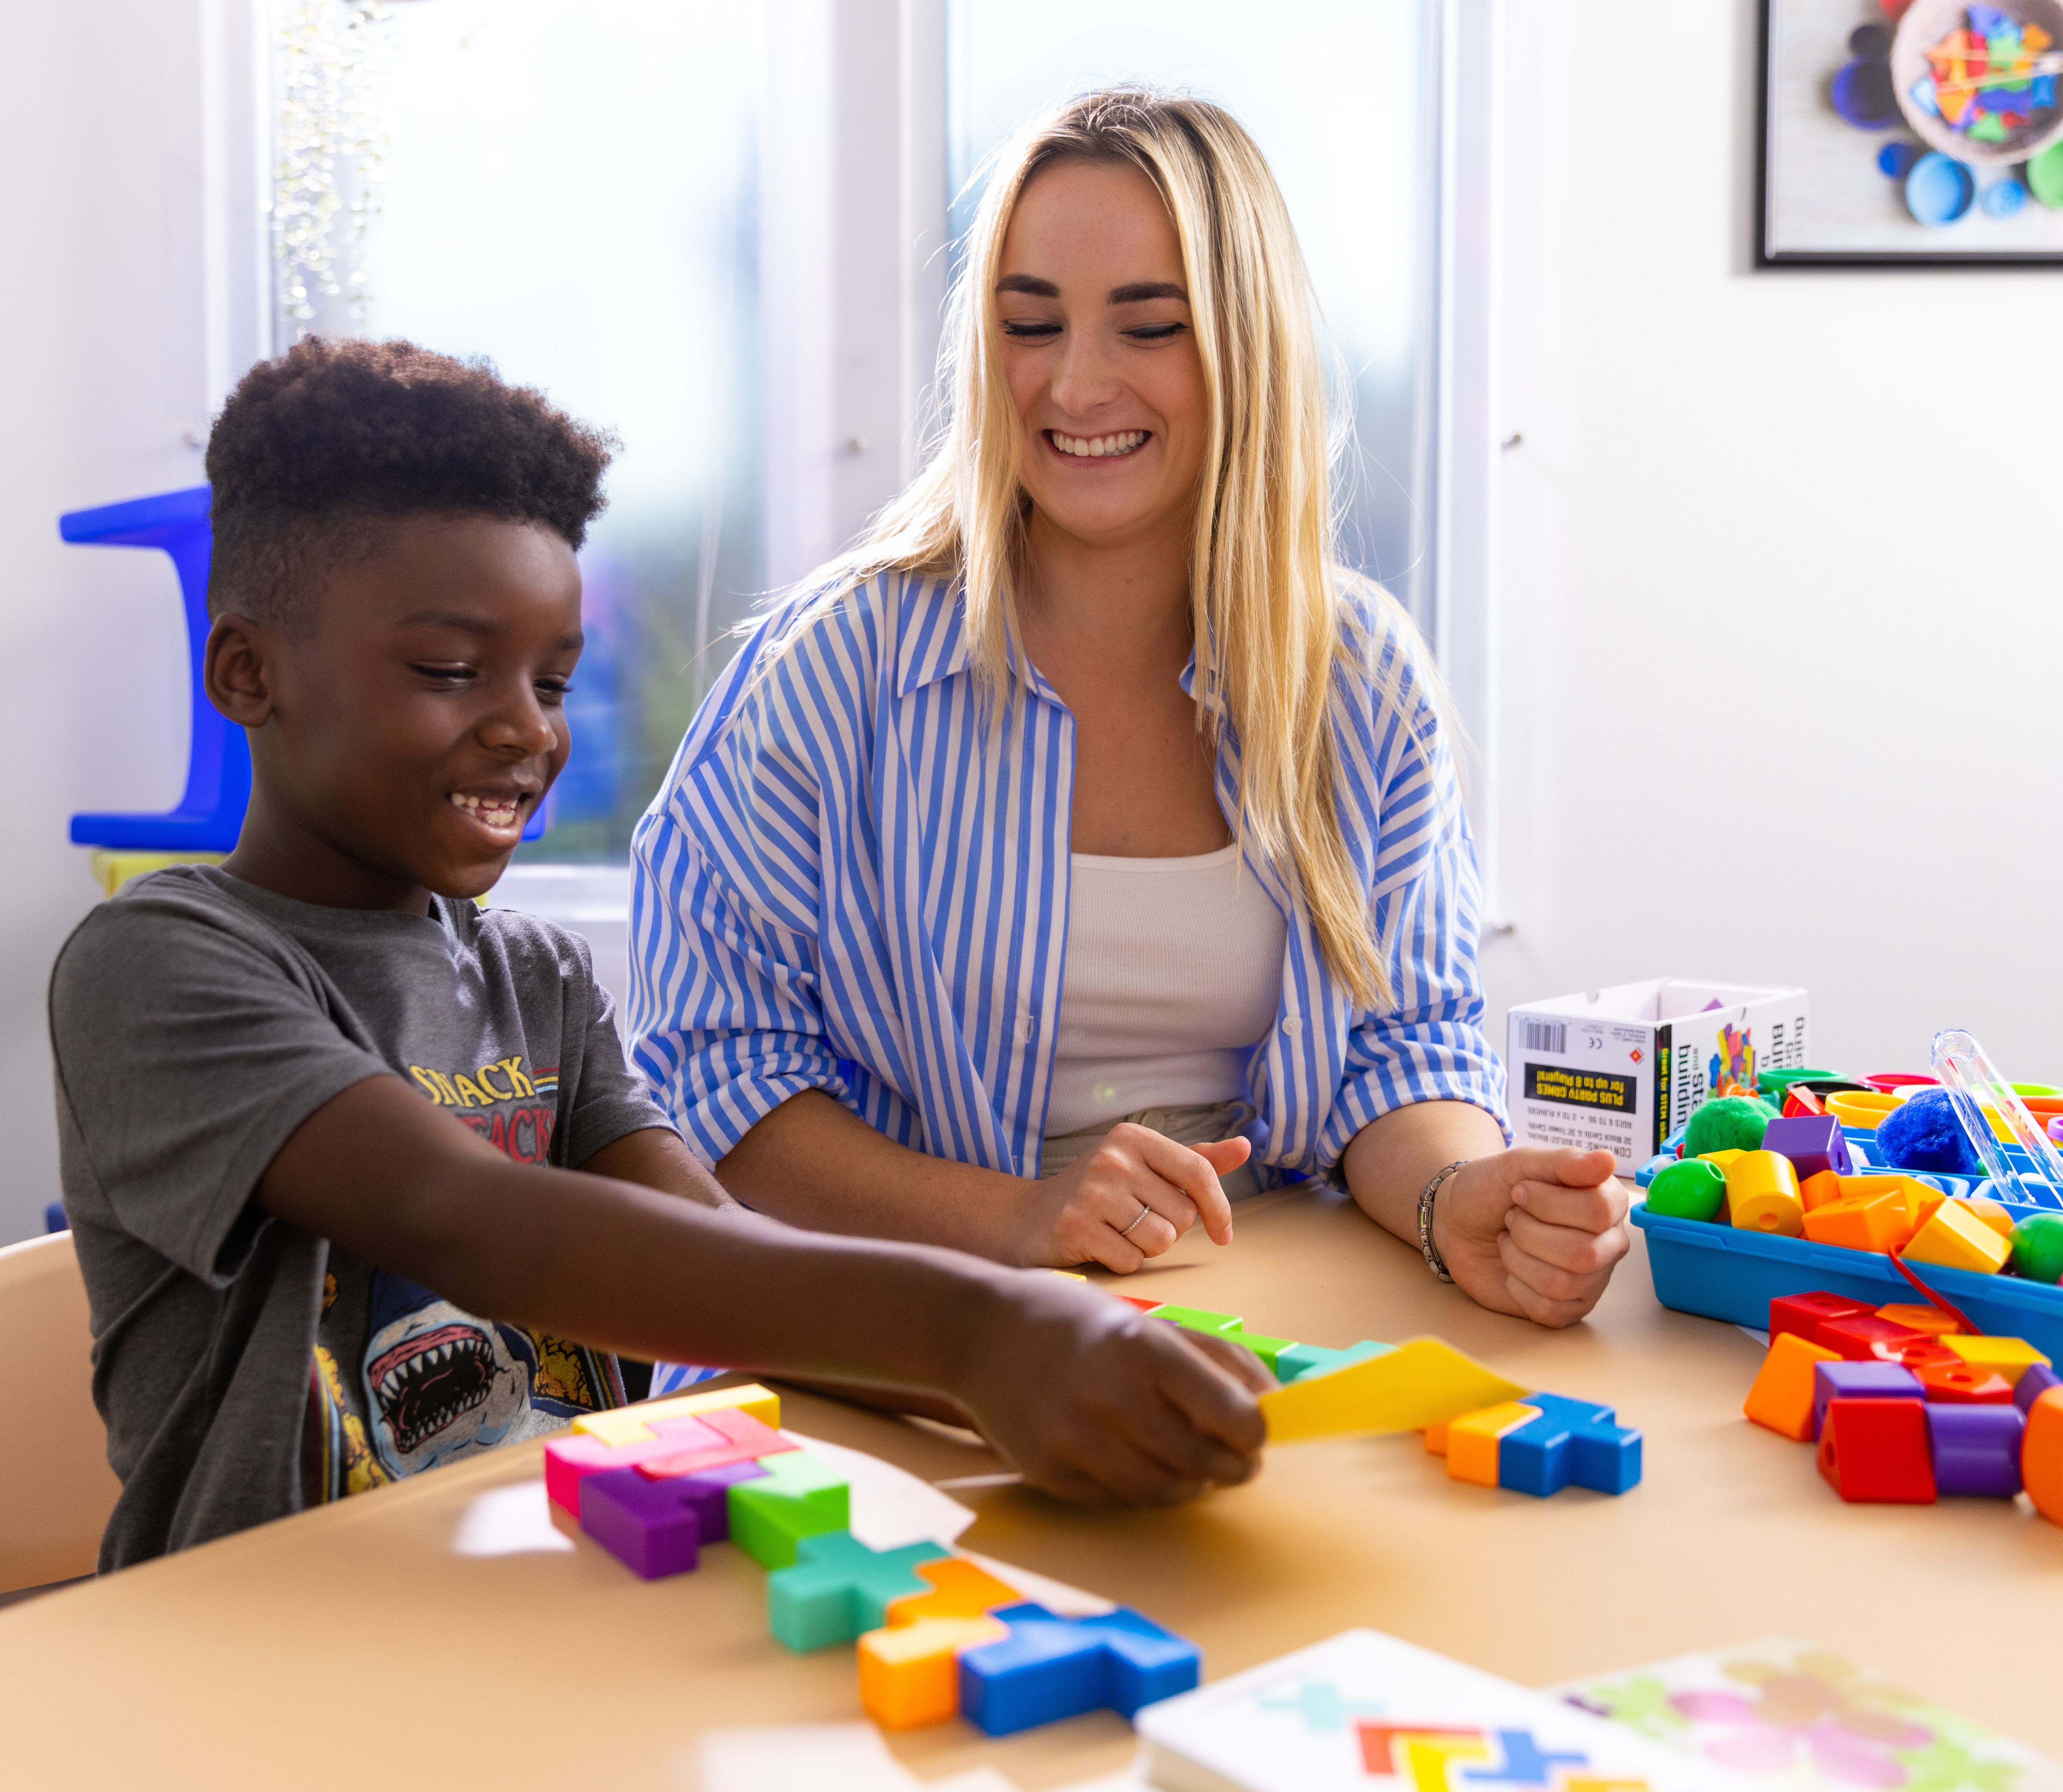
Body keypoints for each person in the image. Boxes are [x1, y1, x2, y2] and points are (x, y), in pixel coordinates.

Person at [47, 337, 1270, 1570]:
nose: (526, 728)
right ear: (249, 673)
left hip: (560, 1609)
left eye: (556, 681)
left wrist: (1049, 1381)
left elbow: (736, 1270)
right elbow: (462, 1215)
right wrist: (981, 1332)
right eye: (450, 671)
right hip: (254, 1656)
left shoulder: (541, 980)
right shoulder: (156, 968)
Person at [630, 88, 1633, 1327]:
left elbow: (1403, 1055)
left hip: (1248, 1325)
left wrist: (1459, 1198)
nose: (1076, 383)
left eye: (1149, 326)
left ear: (1246, 346)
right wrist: (1022, 1222)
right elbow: (716, 1082)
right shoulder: (834, 669)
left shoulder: (1361, 680)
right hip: (896, 1336)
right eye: (1029, 324)